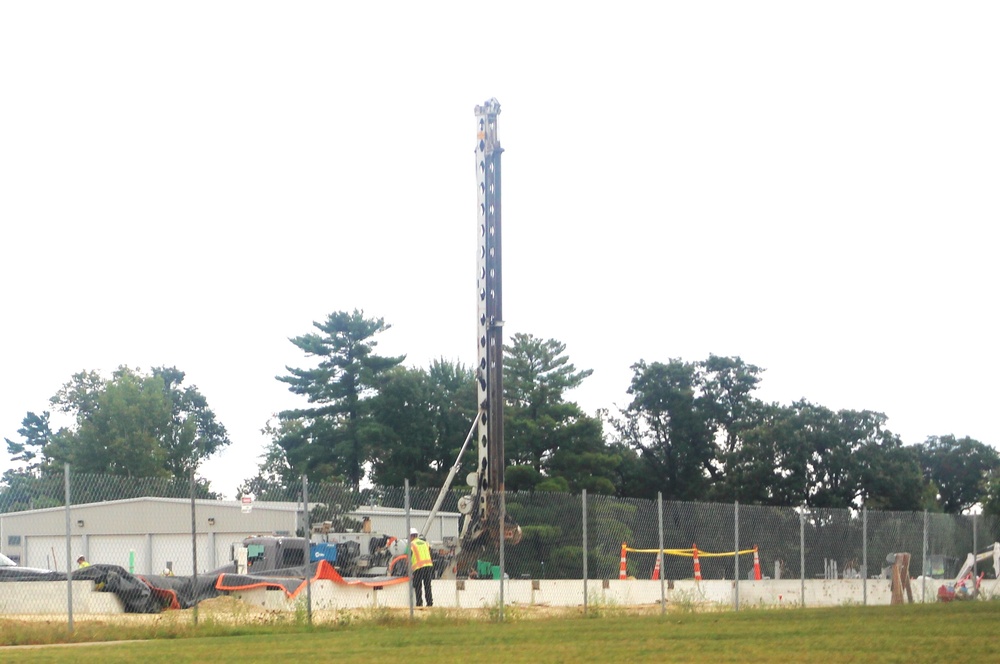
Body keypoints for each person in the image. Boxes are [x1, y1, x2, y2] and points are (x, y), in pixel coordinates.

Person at [408, 527, 433, 607]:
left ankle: (419, 603)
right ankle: (429, 603)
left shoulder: (411, 545)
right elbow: (429, 551)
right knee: (427, 585)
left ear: (411, 536)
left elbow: (407, 557)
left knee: (418, 586)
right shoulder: (425, 543)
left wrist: (408, 570)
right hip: (428, 566)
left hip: (418, 567)